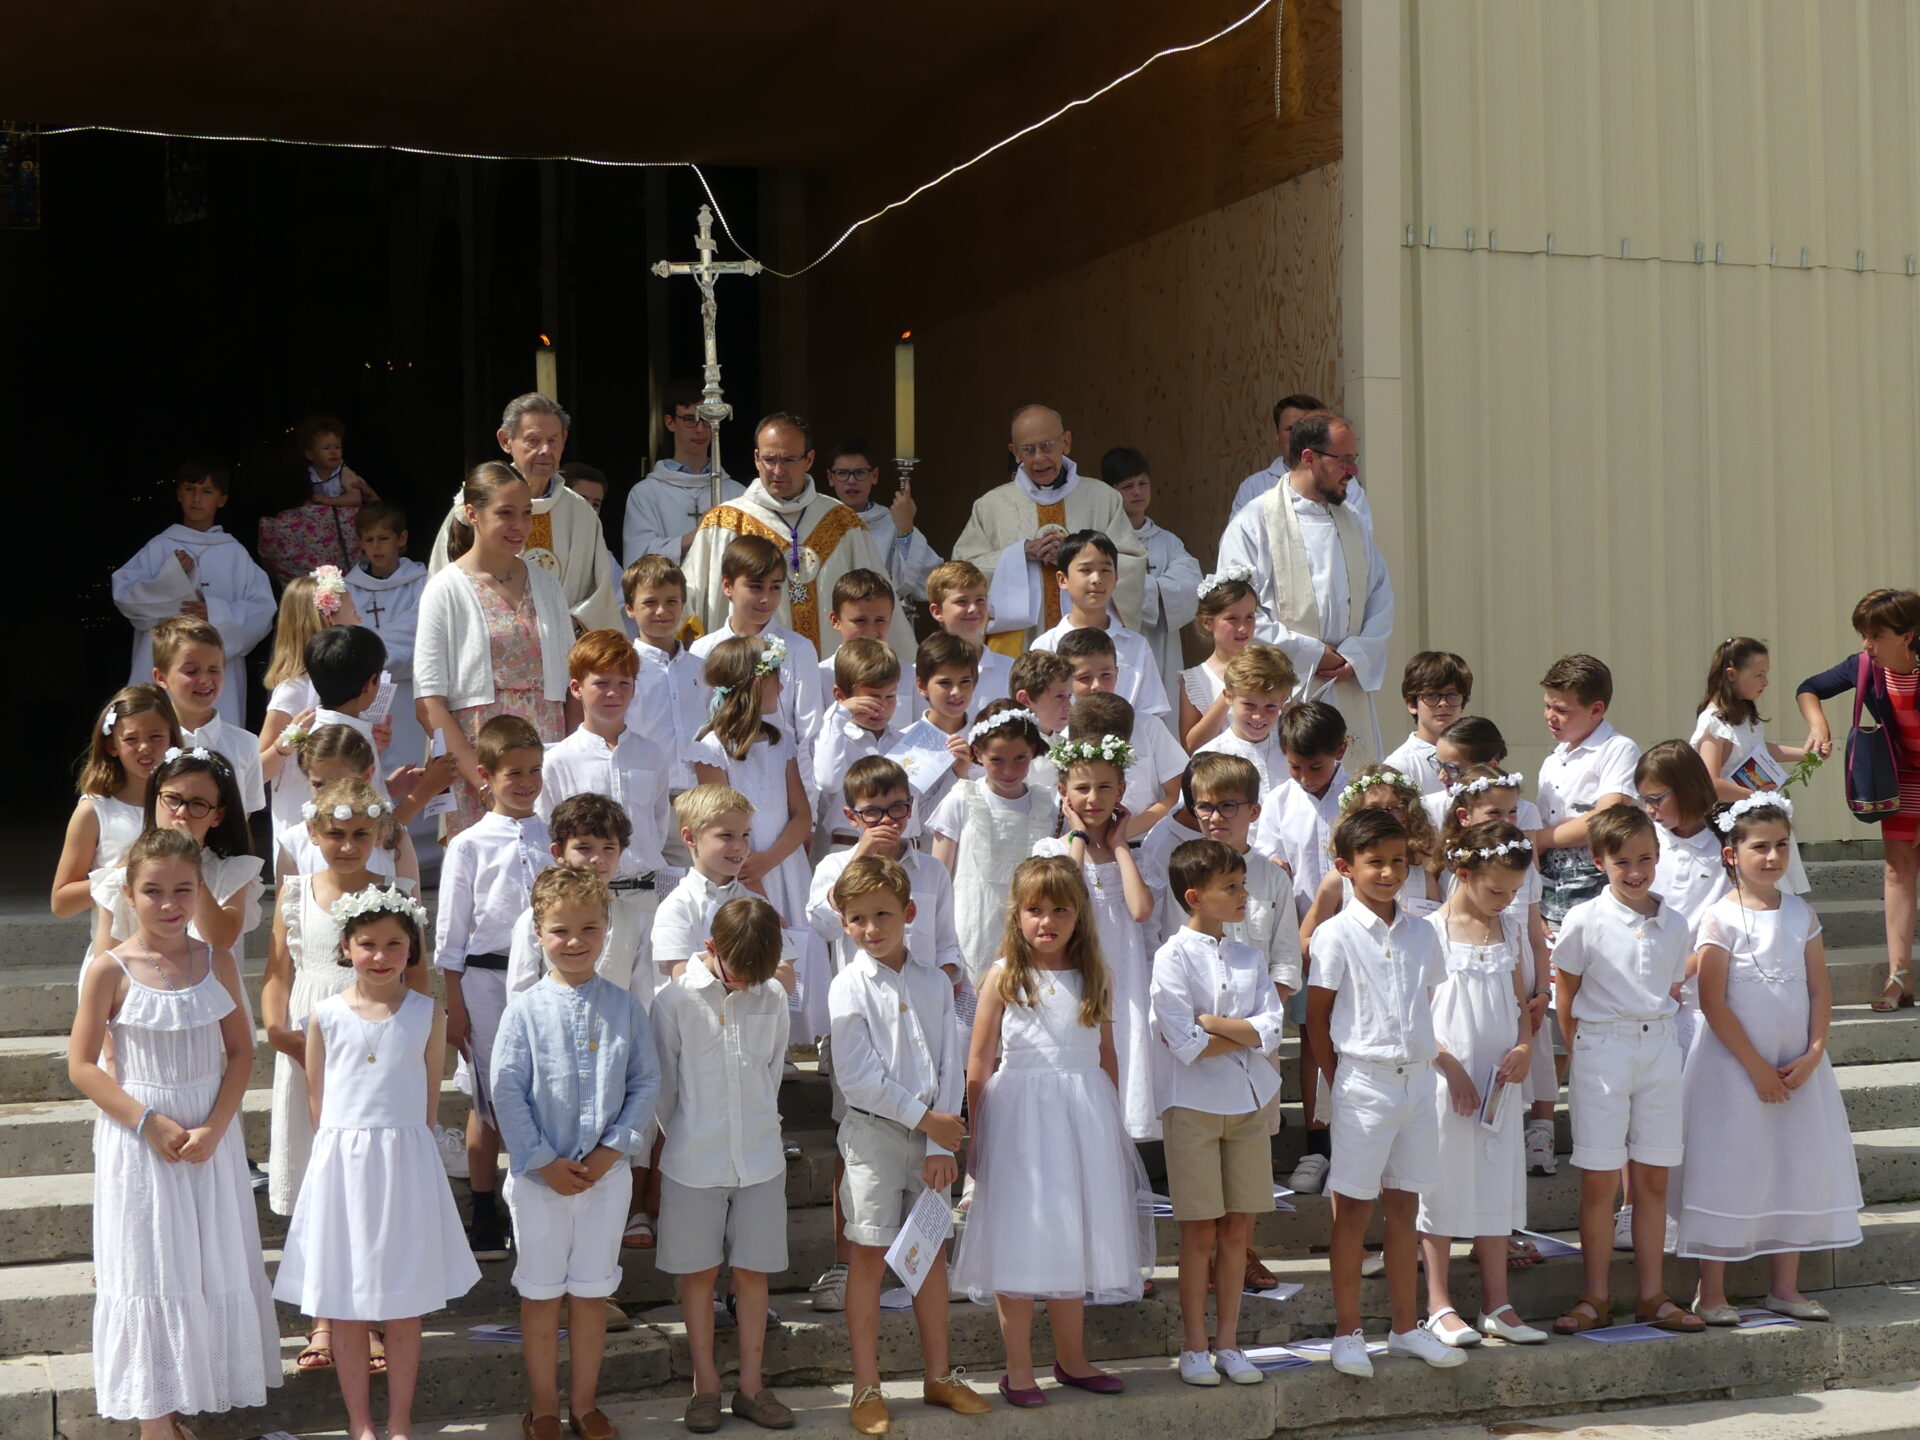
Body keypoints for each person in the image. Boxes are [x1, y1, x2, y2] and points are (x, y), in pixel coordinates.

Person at [68, 828, 280, 1438]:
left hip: (209, 1137)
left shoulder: (216, 962)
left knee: (204, 1263)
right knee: (149, 1267)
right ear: (129, 895)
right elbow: (81, 1065)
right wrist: (147, 1122)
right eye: (153, 891)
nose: (168, 904)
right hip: (141, 1136)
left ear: (198, 891)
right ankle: (154, 1424)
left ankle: (187, 1397)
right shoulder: (110, 970)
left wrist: (216, 1128)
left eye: (182, 890)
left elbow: (241, 1053)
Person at [273, 886, 480, 1440]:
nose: (381, 955)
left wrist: (403, 1143)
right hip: (344, 1168)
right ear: (345, 946)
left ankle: (399, 1422)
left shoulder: (427, 1012)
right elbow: (320, 1101)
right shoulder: (324, 1015)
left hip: (405, 1162)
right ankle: (360, 1423)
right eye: (368, 944)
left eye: (395, 944)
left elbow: (428, 1098)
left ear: (412, 948)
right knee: (345, 1301)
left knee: (405, 1302)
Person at [949, 855, 1153, 1405]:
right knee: (1019, 1237)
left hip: (1082, 1114)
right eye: (1034, 910)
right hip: (1021, 1116)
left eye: (1059, 909)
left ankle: (1072, 1358)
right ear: (1015, 914)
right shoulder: (1003, 976)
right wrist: (979, 1135)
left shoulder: (1095, 975)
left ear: (1078, 913)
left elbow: (1107, 1056)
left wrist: (1110, 1126)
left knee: (1072, 1236)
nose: (1047, 921)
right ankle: (1018, 1367)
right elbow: (980, 1061)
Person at [1674, 794, 1863, 1323]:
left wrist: (1815, 1051)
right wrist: (1755, 1067)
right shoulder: (1720, 917)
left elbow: (1820, 990)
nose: (1773, 856)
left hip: (1797, 1066)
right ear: (1733, 853)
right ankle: (1711, 1290)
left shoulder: (1801, 912)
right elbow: (1712, 1000)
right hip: (1734, 1070)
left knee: (1793, 1161)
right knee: (1728, 1165)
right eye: (1760, 846)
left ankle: (1786, 1286)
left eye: (1782, 845)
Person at [492, 865, 661, 1440]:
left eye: (589, 929)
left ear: (607, 930)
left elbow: (644, 1084)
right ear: (538, 932)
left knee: (591, 1294)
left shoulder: (626, 1008)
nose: (574, 941)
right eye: (561, 930)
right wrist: (540, 1159)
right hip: (542, 1179)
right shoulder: (523, 1011)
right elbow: (507, 1090)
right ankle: (543, 1407)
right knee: (541, 1296)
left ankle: (585, 1403)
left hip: (605, 1178)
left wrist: (614, 1152)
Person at [825, 857, 989, 1434]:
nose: (872, 928)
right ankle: (865, 1384)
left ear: (909, 913)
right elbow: (858, 1077)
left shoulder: (931, 982)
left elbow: (950, 1057)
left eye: (883, 915)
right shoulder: (847, 986)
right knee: (869, 1256)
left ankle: (938, 1375)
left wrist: (942, 1139)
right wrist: (927, 1119)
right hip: (874, 1137)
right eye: (858, 918)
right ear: (843, 923)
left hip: (932, 1139)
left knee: (930, 1254)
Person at [1305, 808, 1464, 1376]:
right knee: (1352, 1211)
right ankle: (1347, 1332)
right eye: (1376, 863)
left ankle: (1403, 1328)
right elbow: (1317, 1020)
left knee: (1406, 1209)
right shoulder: (1334, 933)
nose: (1390, 873)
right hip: (1363, 1083)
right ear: (1347, 867)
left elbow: (1424, 1003)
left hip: (1417, 1083)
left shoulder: (1424, 930)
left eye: (1398, 861)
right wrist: (1339, 1080)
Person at [1550, 805, 1703, 1335]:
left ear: (1659, 856)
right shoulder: (1584, 919)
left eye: (1645, 859)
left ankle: (1651, 1294)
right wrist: (1583, 1052)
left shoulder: (1676, 921)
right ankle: (1595, 1295)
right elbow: (1564, 993)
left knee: (1653, 1179)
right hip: (1602, 1051)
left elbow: (1666, 986)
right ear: (1599, 861)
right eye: (1622, 861)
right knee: (1598, 1180)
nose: (1635, 871)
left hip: (1659, 1050)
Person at [651, 896, 796, 1433]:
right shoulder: (674, 1000)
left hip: (759, 1156)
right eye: (737, 975)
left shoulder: (771, 994)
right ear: (711, 949)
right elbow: (664, 1089)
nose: (745, 987)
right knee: (698, 1276)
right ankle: (705, 1385)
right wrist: (691, 1135)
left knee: (754, 1272)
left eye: (756, 978)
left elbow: (772, 1071)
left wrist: (752, 1126)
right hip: (695, 1158)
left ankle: (752, 1386)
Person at [1150, 840, 1287, 1387]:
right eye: (1230, 887)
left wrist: (1217, 1023)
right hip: (1193, 1108)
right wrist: (1239, 1033)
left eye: (1242, 885)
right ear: (1195, 896)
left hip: (1250, 1103)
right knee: (1199, 1235)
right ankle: (1194, 1345)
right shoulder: (1171, 956)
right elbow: (1184, 1042)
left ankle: (1229, 1343)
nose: (1243, 895)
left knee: (1238, 1232)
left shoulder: (1251, 957)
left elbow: (1272, 1029)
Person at [1416, 821, 1548, 1349]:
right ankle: (1438, 1303)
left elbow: (1519, 1007)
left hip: (1499, 1083)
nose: (1505, 900)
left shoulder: (1510, 929)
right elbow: (1418, 1017)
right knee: (1443, 1182)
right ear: (1462, 873)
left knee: (1497, 1182)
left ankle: (1498, 1302)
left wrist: (1523, 1047)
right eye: (1496, 890)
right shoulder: (1429, 931)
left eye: (1515, 892)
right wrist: (1450, 1068)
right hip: (1449, 1082)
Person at [437, 714, 554, 1261]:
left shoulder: (554, 834)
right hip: (485, 981)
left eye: (534, 770)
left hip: (545, 977)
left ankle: (540, 1200)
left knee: (541, 1089)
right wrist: (453, 1001)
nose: (527, 782)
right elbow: (451, 934)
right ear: (485, 775)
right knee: (488, 1094)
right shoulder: (468, 844)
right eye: (514, 773)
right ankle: (484, 1209)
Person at [1215, 411, 1393, 764]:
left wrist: (1356, 656)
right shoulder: (1254, 523)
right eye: (1345, 460)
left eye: (1354, 460)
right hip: (1284, 689)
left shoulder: (1353, 523)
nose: (1353, 470)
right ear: (1309, 458)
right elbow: (1239, 615)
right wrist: (1311, 653)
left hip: (1346, 685)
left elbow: (1381, 596)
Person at [415, 462, 575, 836]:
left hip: (545, 760)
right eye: (505, 513)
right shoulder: (445, 589)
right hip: (479, 759)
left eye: (526, 514)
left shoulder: (547, 584)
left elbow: (572, 687)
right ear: (472, 514)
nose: (520, 526)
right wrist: (483, 782)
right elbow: (428, 703)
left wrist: (567, 763)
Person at [681, 411, 914, 657]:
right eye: (770, 459)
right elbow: (689, 599)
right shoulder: (726, 522)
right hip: (749, 676)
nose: (778, 470)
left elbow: (879, 599)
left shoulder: (842, 522)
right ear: (757, 458)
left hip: (834, 678)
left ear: (809, 459)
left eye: (789, 460)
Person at [1797, 589, 1920, 1014]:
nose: (1866, 645)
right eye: (1863, 634)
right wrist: (1818, 724)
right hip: (1900, 781)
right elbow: (1809, 688)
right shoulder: (1866, 666)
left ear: (1908, 636)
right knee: (1896, 871)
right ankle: (1899, 978)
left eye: (1876, 635)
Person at [1035, 734, 1158, 1141]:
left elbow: (1140, 911)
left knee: (1124, 1053)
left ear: (1121, 791)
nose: (1093, 798)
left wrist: (1120, 845)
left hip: (1123, 976)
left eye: (1105, 787)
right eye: (1082, 788)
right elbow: (1067, 897)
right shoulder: (1052, 849)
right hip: (1078, 972)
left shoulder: (1133, 854)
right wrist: (1078, 838)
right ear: (1063, 794)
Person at [952, 404, 1147, 650]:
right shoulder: (991, 506)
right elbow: (962, 571)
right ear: (1015, 452)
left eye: (1047, 446)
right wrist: (1019, 555)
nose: (1039, 458)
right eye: (1028, 449)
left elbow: (1131, 565)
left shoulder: (1102, 498)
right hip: (1018, 647)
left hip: (1088, 648)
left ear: (1066, 442)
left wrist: (1073, 558)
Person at [537, 629, 674, 979]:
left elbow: (657, 825)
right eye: (601, 683)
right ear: (576, 688)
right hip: (582, 907)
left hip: (644, 898)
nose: (614, 693)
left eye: (624, 683)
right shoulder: (559, 760)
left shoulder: (652, 754)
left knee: (646, 998)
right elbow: (547, 832)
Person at [427, 393, 625, 632]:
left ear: (564, 441)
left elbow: (601, 589)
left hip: (566, 645)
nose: (545, 450)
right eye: (533, 440)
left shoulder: (581, 513)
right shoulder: (477, 505)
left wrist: (567, 623)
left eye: (553, 440)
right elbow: (443, 582)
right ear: (505, 440)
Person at [112, 460, 275, 731]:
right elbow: (126, 597)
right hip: (161, 661)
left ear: (222, 500)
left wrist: (216, 613)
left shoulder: (235, 554)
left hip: (216, 671)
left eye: (207, 491)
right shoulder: (160, 547)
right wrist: (169, 578)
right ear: (178, 494)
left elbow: (262, 611)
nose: (197, 499)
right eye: (190, 489)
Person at [86, 747, 263, 984]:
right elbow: (106, 967)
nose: (181, 813)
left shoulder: (233, 871)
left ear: (217, 816)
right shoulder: (122, 877)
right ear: (155, 798)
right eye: (172, 799)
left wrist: (188, 863)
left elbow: (220, 938)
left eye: (198, 804)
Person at [929, 703, 1058, 993]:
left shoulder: (1044, 805)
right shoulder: (962, 798)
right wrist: (943, 952)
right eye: (997, 760)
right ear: (977, 754)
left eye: (1020, 758)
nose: (1010, 770)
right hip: (970, 934)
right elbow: (937, 880)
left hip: (1029, 935)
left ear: (1034, 751)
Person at [690, 636, 815, 932]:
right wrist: (756, 885)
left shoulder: (781, 741)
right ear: (757, 684)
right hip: (741, 874)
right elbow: (720, 826)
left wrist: (770, 860)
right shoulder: (712, 750)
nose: (782, 687)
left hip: (785, 865)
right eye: (777, 679)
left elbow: (802, 814)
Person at [52, 687, 180, 966]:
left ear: (171, 737)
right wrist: (122, 873)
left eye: (156, 736)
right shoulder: (95, 811)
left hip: (179, 959)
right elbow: (61, 902)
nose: (145, 747)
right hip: (115, 960)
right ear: (112, 745)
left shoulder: (184, 805)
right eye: (131, 739)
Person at [690, 535, 826, 763]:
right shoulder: (703, 649)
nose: (766, 599)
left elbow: (809, 732)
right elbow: (698, 722)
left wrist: (804, 796)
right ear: (727, 585)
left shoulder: (798, 649)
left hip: (783, 778)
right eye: (755, 587)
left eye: (775, 587)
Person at [1530, 654, 1640, 932]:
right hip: (1551, 891)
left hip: (1595, 886)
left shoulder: (1617, 749)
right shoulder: (1553, 760)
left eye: (1562, 710)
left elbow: (1606, 817)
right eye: (1547, 706)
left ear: (1596, 709)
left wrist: (1539, 839)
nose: (1550, 717)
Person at [1103, 447, 1200, 735]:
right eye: (1127, 486)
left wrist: (1132, 586)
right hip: (1119, 646)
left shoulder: (1168, 542)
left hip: (1162, 646)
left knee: (1161, 723)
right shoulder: (1103, 543)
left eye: (1143, 483)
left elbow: (1192, 586)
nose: (1137, 492)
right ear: (1112, 492)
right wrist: (1157, 590)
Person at [1031, 530, 1171, 720]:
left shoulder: (1136, 646)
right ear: (1063, 579)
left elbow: (1151, 713)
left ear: (1116, 579)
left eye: (1105, 570)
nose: (1096, 579)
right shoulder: (1045, 647)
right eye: (1085, 570)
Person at [624, 555, 707, 855]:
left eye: (672, 601)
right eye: (650, 602)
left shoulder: (703, 670)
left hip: (697, 804)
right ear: (630, 609)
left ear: (683, 605)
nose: (662, 611)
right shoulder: (624, 671)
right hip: (645, 804)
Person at [1059, 642, 1186, 838]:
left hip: (1141, 841)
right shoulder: (1061, 737)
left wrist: (1127, 830)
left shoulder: (1148, 726)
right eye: (1084, 678)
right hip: (1080, 843)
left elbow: (1179, 791)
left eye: (1105, 675)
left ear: (1117, 674)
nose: (1097, 686)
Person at [344, 501, 431, 776]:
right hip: (362, 692)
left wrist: (371, 656)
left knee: (411, 763)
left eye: (384, 538)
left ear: (401, 539)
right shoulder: (347, 588)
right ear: (360, 543)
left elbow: (421, 629)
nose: (377, 546)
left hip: (409, 693)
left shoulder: (422, 582)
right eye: (369, 540)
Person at [148, 614, 265, 814]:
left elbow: (243, 819)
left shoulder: (245, 744)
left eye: (214, 669)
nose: (204, 679)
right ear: (161, 677)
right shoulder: (148, 745)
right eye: (191, 671)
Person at [621, 382, 742, 567]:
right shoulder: (645, 494)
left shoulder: (737, 494)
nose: (700, 429)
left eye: (707, 419)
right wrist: (695, 536)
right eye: (690, 419)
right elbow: (638, 560)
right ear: (670, 422)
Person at [822, 438, 944, 605]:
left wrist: (906, 528)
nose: (851, 481)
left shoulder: (890, 521)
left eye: (860, 472)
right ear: (830, 477)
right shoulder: (819, 522)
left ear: (874, 476)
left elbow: (933, 583)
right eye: (842, 473)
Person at [811, 639, 906, 850]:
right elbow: (828, 781)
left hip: (898, 849)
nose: (881, 708)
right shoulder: (834, 738)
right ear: (841, 696)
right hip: (847, 847)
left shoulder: (904, 742)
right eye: (871, 699)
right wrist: (839, 714)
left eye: (890, 697)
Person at [1194, 645, 1297, 791]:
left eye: (1270, 707)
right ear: (1228, 696)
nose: (1258, 716)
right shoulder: (1210, 757)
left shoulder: (1295, 748)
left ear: (1283, 701)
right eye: (1249, 705)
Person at [1229, 393, 1347, 519]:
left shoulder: (1345, 484)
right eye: (1291, 429)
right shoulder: (1253, 488)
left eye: (1308, 429)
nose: (1299, 437)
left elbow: (1361, 535)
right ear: (1277, 434)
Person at [1180, 566, 1260, 752]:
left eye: (1250, 617)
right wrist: (1228, 696)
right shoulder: (1195, 679)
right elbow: (1191, 746)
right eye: (1232, 619)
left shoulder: (1269, 666)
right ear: (1207, 622)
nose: (1243, 628)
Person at [818, 570, 917, 718]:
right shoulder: (820, 677)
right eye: (860, 621)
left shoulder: (910, 676)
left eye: (880, 620)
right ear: (835, 620)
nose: (870, 632)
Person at [925, 559, 1013, 708]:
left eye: (980, 600)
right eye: (962, 601)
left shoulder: (1011, 669)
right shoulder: (922, 671)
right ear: (937, 611)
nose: (973, 609)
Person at [1383, 652, 1472, 796]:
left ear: (1463, 703)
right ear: (1412, 704)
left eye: (1453, 695)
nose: (1443, 703)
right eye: (1431, 695)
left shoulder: (1476, 754)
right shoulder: (1400, 765)